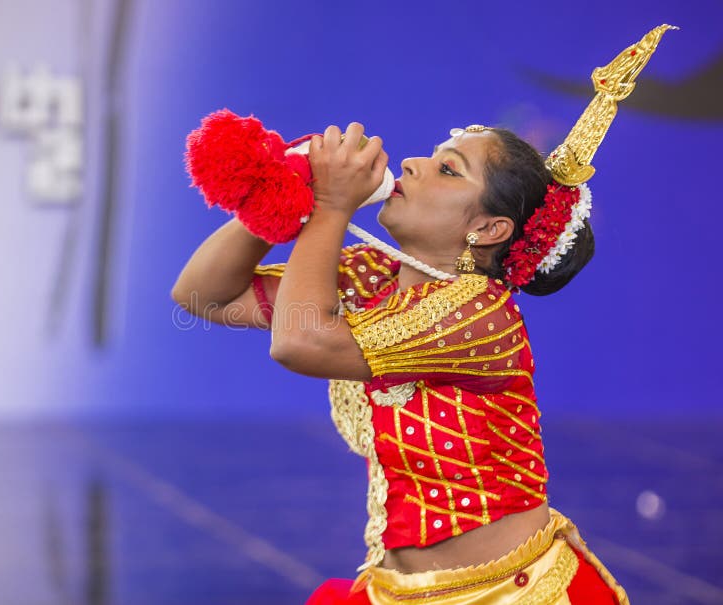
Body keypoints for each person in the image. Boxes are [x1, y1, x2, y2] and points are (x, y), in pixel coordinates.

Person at [171, 24, 674, 605]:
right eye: (432, 157)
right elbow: (202, 295)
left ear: (488, 229)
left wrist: (331, 205)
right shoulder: (373, 275)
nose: (411, 164)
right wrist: (280, 195)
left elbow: (299, 343)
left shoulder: (479, 316)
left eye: (448, 169)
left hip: (511, 595)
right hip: (396, 590)